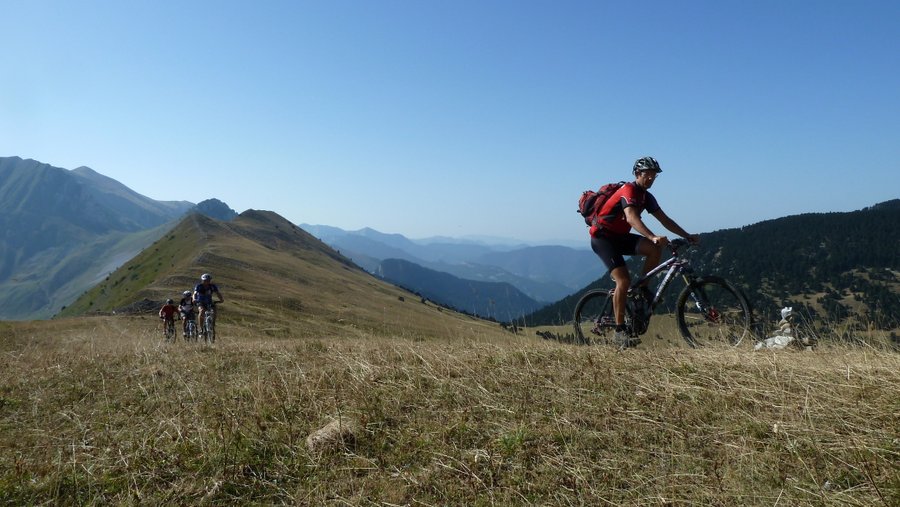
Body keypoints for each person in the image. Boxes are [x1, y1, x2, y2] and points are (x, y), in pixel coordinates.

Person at [590, 156, 699, 348]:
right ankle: (619, 331)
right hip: (603, 239)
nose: (651, 179)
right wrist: (651, 236)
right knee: (623, 280)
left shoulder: (646, 196)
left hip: (620, 237)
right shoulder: (628, 190)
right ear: (637, 174)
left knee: (654, 249)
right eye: (647, 175)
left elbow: (665, 220)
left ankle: (642, 288)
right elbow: (631, 218)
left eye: (654, 176)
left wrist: (687, 235)